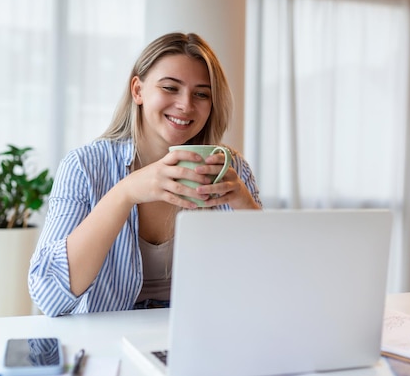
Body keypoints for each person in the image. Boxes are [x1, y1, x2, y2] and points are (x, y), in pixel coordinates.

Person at [28, 32, 262, 316]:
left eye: (201, 94)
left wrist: (245, 207)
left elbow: (268, 286)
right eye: (170, 88)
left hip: (202, 336)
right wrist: (124, 193)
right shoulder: (85, 167)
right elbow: (49, 295)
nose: (186, 105)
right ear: (138, 90)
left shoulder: (231, 169)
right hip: (109, 342)